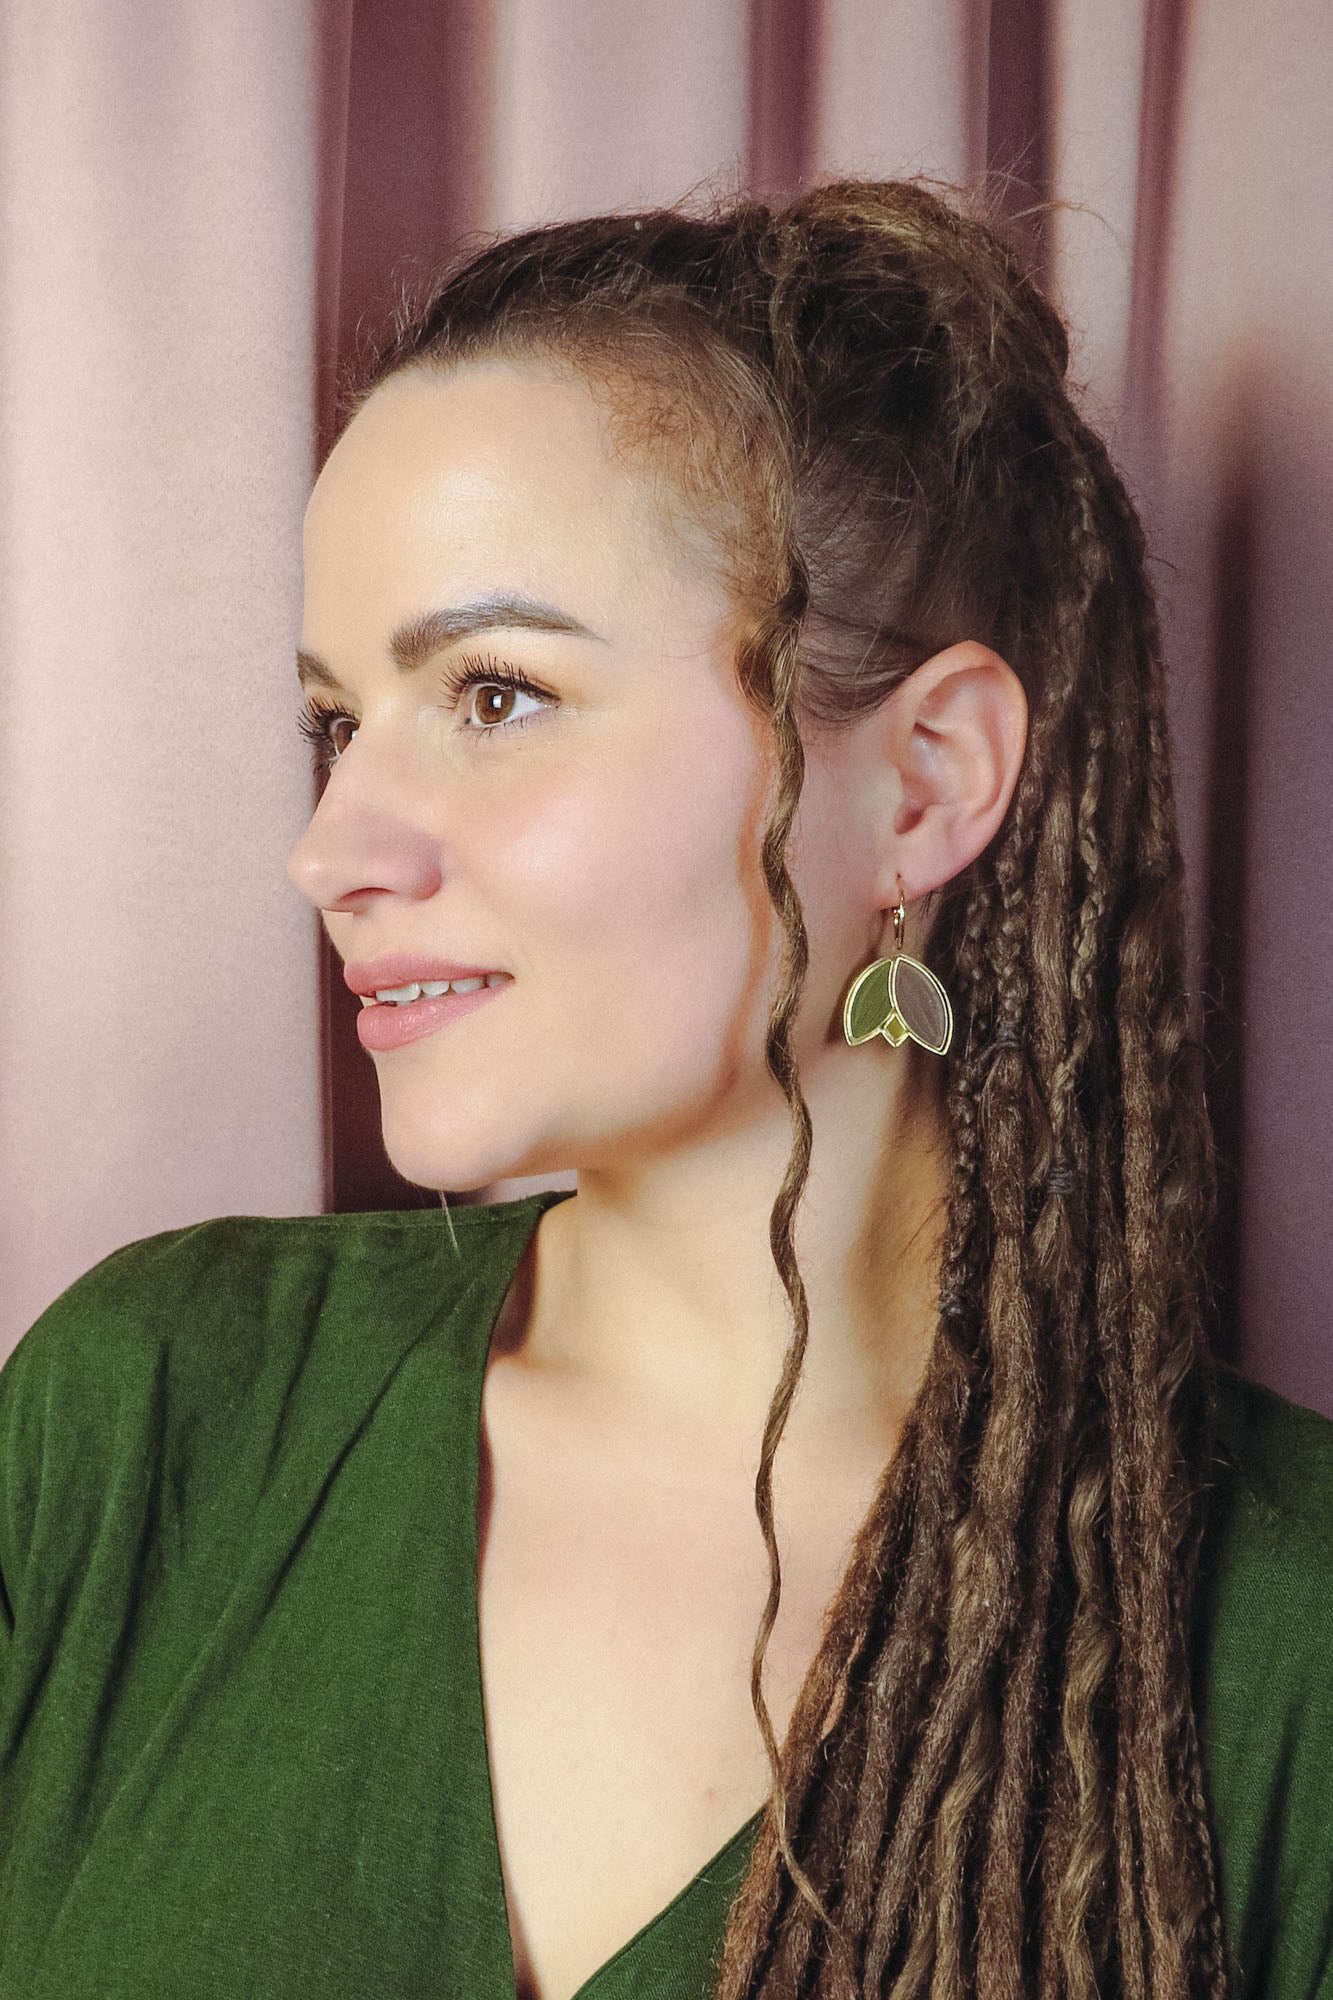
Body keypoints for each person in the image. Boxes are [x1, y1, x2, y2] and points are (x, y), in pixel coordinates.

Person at [1, 178, 1329, 2000]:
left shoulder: (1284, 1645)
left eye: (492, 694)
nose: (332, 848)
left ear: (926, 781)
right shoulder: (154, 1414)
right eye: (335, 721)